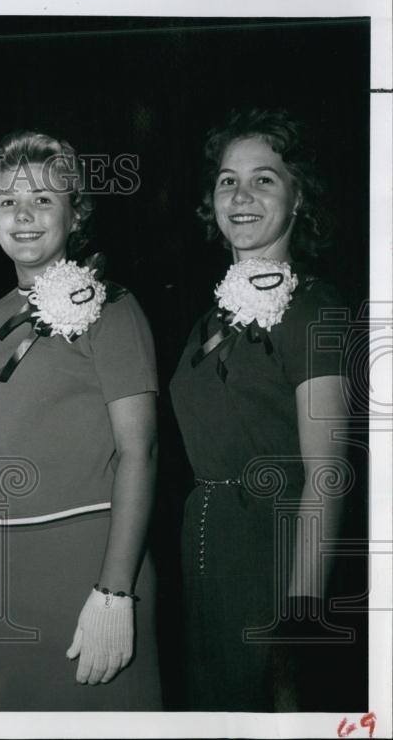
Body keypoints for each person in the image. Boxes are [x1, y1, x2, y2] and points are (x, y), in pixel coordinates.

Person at [0, 130, 162, 710]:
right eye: (7, 201)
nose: (23, 216)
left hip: (87, 566)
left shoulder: (113, 307)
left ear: (76, 215)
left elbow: (139, 453)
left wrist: (114, 591)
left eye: (44, 199)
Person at [169, 108, 353, 711]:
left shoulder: (315, 308)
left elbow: (326, 477)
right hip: (205, 560)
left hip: (273, 560)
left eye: (264, 179)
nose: (241, 195)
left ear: (299, 198)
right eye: (228, 180)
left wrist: (299, 620)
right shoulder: (206, 321)